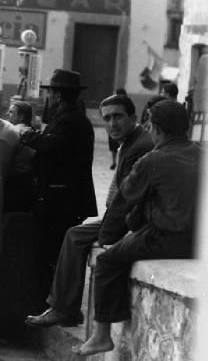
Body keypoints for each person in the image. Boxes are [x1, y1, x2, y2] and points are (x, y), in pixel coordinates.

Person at [73, 100, 200, 356]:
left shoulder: (152, 160)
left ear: (156, 128)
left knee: (108, 261)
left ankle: (101, 335)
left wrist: (107, 239)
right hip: (199, 240)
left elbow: (121, 204)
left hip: (165, 238)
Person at [25, 94, 154, 328]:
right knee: (74, 234)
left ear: (133, 118)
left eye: (118, 117)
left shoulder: (140, 146)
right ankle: (62, 307)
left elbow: (128, 199)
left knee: (75, 237)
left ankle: (64, 309)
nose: (112, 124)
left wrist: (108, 233)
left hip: (134, 219)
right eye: (107, 118)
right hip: (124, 215)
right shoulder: (131, 141)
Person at [20, 69, 97, 302]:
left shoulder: (69, 119)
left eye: (52, 92)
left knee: (51, 254)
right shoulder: (69, 116)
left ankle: (51, 300)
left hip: (61, 200)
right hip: (62, 198)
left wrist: (29, 136)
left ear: (57, 95)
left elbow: (52, 146)